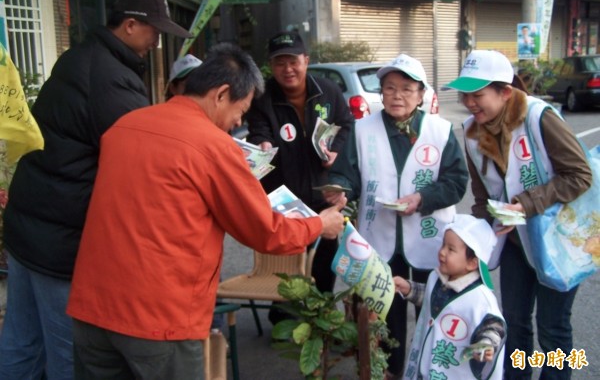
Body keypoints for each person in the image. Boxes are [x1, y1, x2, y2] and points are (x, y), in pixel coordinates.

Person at [66, 43, 347, 379]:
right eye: (240, 112)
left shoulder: (125, 126)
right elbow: (266, 231)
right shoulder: (212, 146)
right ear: (221, 94)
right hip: (158, 318)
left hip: (92, 309)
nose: (237, 122)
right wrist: (319, 224)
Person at [0, 0, 192, 380]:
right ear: (130, 25)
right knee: (67, 355)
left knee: (22, 343)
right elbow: (145, 151)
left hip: (27, 223)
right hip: (59, 238)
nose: (157, 41)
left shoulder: (80, 57)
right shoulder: (109, 75)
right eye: (154, 30)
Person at [446, 49, 592, 380]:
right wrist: (471, 243)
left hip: (559, 241)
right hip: (515, 242)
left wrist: (527, 203)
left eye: (478, 94)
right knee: (514, 320)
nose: (470, 102)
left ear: (505, 92)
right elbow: (482, 197)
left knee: (552, 327)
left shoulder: (540, 117)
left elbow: (580, 175)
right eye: (465, 94)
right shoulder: (471, 132)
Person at [324, 54, 468, 379]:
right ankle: (390, 373)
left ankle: (434, 371)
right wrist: (340, 189)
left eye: (406, 88)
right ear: (381, 93)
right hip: (380, 241)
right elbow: (347, 174)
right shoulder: (363, 130)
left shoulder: (440, 131)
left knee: (433, 313)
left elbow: (457, 182)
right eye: (389, 88)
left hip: (432, 243)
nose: (397, 95)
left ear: (421, 94)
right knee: (387, 318)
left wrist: (422, 198)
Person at [245, 31, 354, 302]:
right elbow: (258, 130)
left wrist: (336, 151)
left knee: (323, 265)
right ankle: (283, 316)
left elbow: (346, 124)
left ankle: (322, 316)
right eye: (280, 63)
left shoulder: (328, 91)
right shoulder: (262, 97)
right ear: (271, 66)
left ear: (306, 60)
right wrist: (263, 146)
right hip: (282, 199)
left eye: (293, 61)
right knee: (285, 264)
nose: (288, 69)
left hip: (321, 194)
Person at [395, 214, 506, 380]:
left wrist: (487, 344)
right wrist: (409, 289)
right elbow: (433, 299)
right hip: (431, 368)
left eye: (451, 249)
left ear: (472, 263)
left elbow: (494, 326)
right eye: (443, 245)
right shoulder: (437, 277)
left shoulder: (480, 299)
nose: (442, 252)